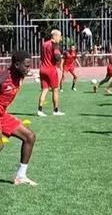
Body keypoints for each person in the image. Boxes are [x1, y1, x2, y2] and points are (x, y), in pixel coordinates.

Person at [1, 51, 38, 185]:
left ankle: (20, 176)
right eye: (27, 66)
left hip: (2, 116)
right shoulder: (3, 78)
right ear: (17, 65)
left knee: (29, 137)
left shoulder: (19, 75)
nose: (29, 69)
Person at [37, 29, 64, 117]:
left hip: (42, 69)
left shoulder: (44, 44)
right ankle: (55, 110)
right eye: (59, 36)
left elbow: (42, 57)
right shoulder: (54, 45)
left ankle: (40, 110)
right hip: (51, 70)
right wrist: (60, 60)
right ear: (55, 36)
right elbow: (57, 57)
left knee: (44, 89)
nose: (60, 38)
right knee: (55, 89)